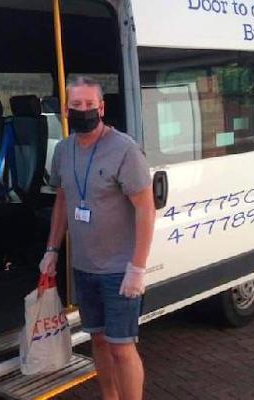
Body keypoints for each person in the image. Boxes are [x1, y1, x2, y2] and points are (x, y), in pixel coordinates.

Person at [39, 77, 155, 400]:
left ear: (102, 108)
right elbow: (62, 200)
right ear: (65, 110)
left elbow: (146, 209)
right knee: (99, 342)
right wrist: (52, 249)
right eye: (76, 105)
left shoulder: (124, 150)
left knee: (122, 347)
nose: (83, 111)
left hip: (120, 271)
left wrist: (138, 268)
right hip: (85, 267)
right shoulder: (63, 150)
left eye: (90, 105)